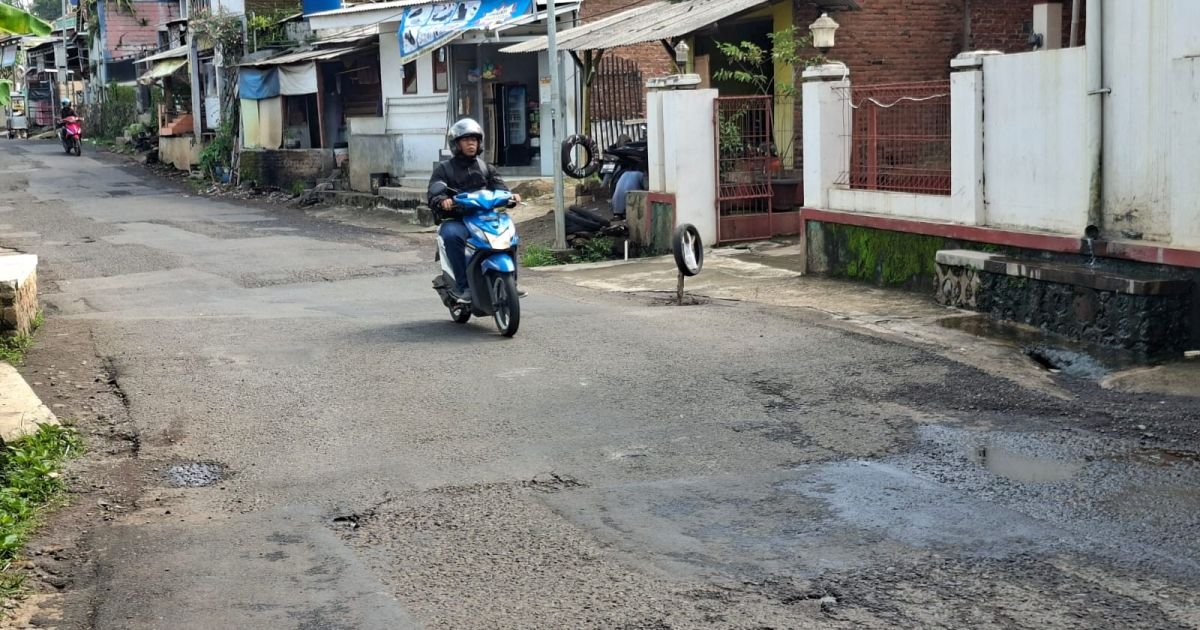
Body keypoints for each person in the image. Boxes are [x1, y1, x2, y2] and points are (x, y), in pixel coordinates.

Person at [428, 118, 523, 304]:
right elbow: (434, 192)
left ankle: (512, 282)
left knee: (509, 234)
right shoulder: (444, 170)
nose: (471, 143)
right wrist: (442, 200)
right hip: (458, 219)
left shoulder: (486, 168)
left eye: (474, 139)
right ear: (456, 144)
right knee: (452, 236)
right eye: (466, 140)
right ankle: (463, 287)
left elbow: (501, 188)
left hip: (485, 216)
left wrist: (511, 197)